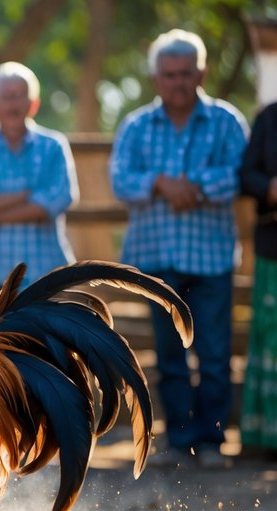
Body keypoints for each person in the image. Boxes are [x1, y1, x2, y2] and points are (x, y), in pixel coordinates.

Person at [110, 29, 249, 469]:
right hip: (156, 260)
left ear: (201, 72)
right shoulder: (135, 125)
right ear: (156, 77)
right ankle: (178, 440)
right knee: (169, 356)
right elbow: (119, 180)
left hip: (210, 259)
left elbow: (239, 175)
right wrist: (159, 183)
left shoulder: (226, 121)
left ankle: (210, 442)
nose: (177, 82)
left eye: (186, 73)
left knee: (214, 354)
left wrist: (192, 188)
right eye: (169, 75)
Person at [0, 62, 78, 319]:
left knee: (51, 356)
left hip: (47, 274)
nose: (13, 104)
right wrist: (25, 195)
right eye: (6, 97)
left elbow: (58, 200)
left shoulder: (53, 145)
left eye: (20, 96)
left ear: (34, 103)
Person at [238, 98, 277, 460]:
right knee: (273, 337)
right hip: (275, 246)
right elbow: (246, 174)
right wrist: (270, 187)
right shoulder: (271, 117)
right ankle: (270, 439)